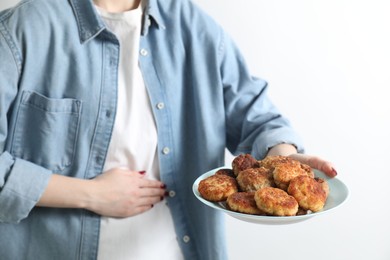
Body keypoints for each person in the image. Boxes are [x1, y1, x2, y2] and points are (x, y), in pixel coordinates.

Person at [0, 0, 337, 259]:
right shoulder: (23, 29)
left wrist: (286, 163)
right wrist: (91, 194)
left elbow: (258, 118)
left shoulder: (194, 27)